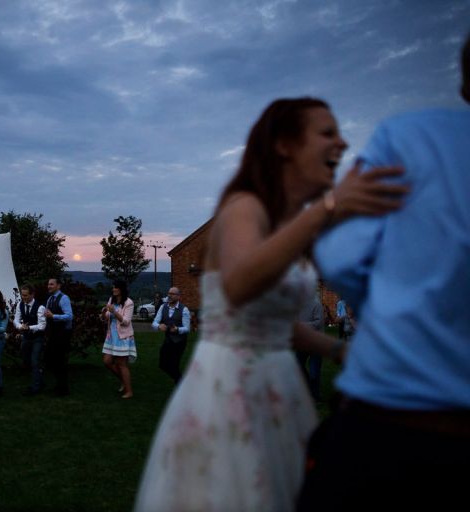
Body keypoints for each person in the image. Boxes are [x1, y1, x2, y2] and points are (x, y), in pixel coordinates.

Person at [134, 97, 407, 511]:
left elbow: (271, 319)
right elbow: (239, 287)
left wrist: (338, 349)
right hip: (232, 389)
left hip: (279, 385)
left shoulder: (287, 226)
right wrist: (329, 208)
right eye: (327, 133)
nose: (342, 142)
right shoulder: (245, 207)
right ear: (284, 145)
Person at [298, 35, 470, 511]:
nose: (342, 143)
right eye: (326, 133)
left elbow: (342, 258)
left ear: (464, 76)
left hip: (396, 420)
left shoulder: (411, 138)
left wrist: (392, 300)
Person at [100, 280, 136, 399]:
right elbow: (106, 318)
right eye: (113, 288)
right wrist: (104, 313)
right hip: (111, 336)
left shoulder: (129, 302)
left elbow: (126, 322)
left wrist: (114, 312)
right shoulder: (112, 300)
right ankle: (124, 381)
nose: (113, 289)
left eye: (115, 287)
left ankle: (129, 391)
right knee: (107, 361)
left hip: (123, 337)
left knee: (122, 364)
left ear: (121, 289)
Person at [151, 286, 191, 385]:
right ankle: (180, 380)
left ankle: (180, 383)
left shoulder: (184, 309)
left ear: (178, 296)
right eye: (169, 293)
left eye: (172, 294)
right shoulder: (163, 307)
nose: (169, 295)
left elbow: (187, 328)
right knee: (162, 364)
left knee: (174, 365)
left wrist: (177, 329)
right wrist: (159, 326)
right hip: (168, 340)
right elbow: (154, 322)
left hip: (179, 341)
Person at [13, 284, 46, 396]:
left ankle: (35, 388)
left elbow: (42, 326)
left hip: (37, 338)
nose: (24, 298)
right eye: (22, 295)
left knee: (35, 361)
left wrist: (29, 328)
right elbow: (16, 320)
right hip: (26, 338)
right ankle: (40, 382)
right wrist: (20, 327)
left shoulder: (40, 307)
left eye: (26, 295)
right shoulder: (20, 305)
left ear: (32, 294)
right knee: (26, 361)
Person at [44, 277, 73, 396]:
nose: (49, 286)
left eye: (51, 284)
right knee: (50, 360)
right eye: (48, 284)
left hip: (62, 334)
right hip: (53, 333)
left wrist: (53, 316)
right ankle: (59, 385)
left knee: (59, 361)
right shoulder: (50, 299)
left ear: (58, 286)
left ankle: (63, 389)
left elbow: (70, 316)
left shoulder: (64, 298)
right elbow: (47, 315)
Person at [295, 286, 323, 401]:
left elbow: (318, 322)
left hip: (317, 343)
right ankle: (308, 390)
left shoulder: (316, 304)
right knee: (298, 367)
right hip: (303, 342)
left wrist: (302, 326)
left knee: (314, 373)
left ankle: (316, 396)